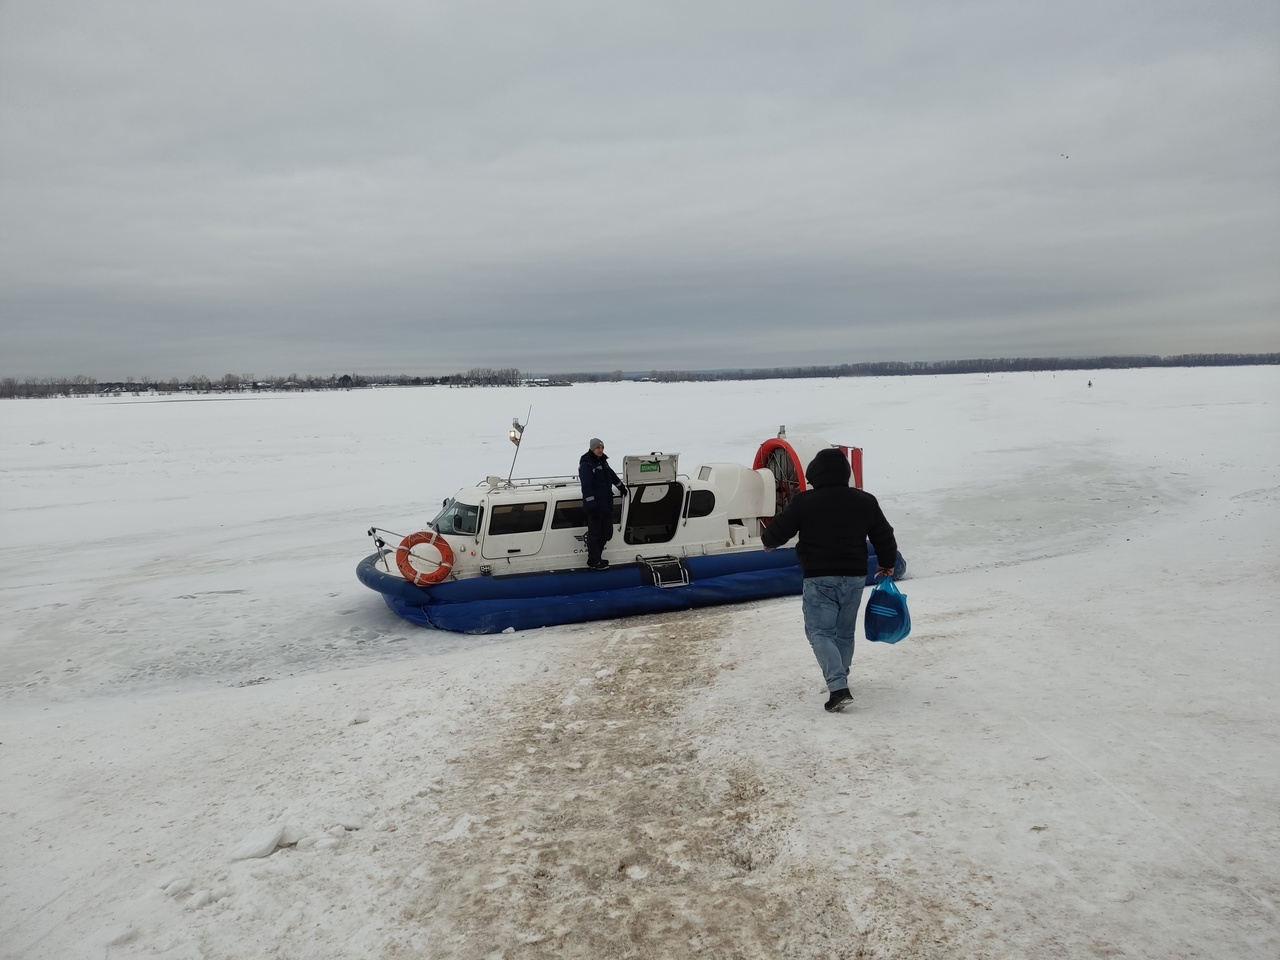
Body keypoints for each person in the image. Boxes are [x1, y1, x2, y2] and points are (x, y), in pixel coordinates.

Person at [761, 447, 898, 713]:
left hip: (820, 578)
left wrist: (769, 542)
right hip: (855, 577)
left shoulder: (805, 501)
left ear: (815, 475)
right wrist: (887, 563)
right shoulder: (865, 501)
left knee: (820, 633)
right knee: (844, 633)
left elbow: (780, 530)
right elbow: (884, 534)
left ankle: (838, 688)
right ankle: (841, 677)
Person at [578, 438, 626, 570]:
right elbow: (586, 487)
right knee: (595, 534)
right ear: (592, 448)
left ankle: (597, 557)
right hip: (595, 507)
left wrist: (621, 487)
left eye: (602, 448)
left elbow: (612, 476)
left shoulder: (603, 462)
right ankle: (594, 560)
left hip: (606, 505)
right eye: (598, 448)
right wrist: (591, 504)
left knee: (607, 533)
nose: (600, 450)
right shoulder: (586, 464)